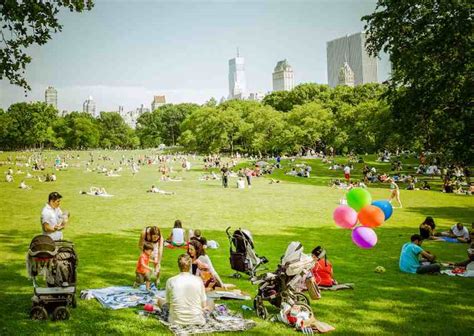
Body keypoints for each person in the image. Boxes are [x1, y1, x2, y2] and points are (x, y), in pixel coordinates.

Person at [157, 254, 208, 325]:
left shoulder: (171, 280)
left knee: (160, 300)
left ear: (178, 266)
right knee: (211, 302)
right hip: (197, 320)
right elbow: (204, 305)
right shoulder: (198, 280)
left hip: (175, 320)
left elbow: (168, 303)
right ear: (190, 266)